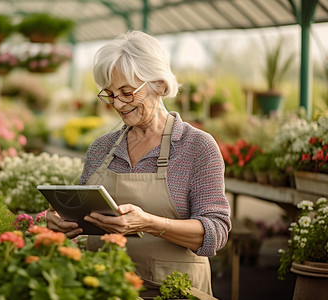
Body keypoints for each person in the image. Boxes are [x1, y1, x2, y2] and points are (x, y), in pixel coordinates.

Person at [46, 30, 231, 297]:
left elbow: (215, 234)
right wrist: (62, 223)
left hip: (174, 292)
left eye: (127, 92)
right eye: (109, 94)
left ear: (158, 83)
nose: (118, 104)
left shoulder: (197, 147)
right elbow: (84, 216)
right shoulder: (101, 148)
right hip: (104, 288)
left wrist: (147, 223)